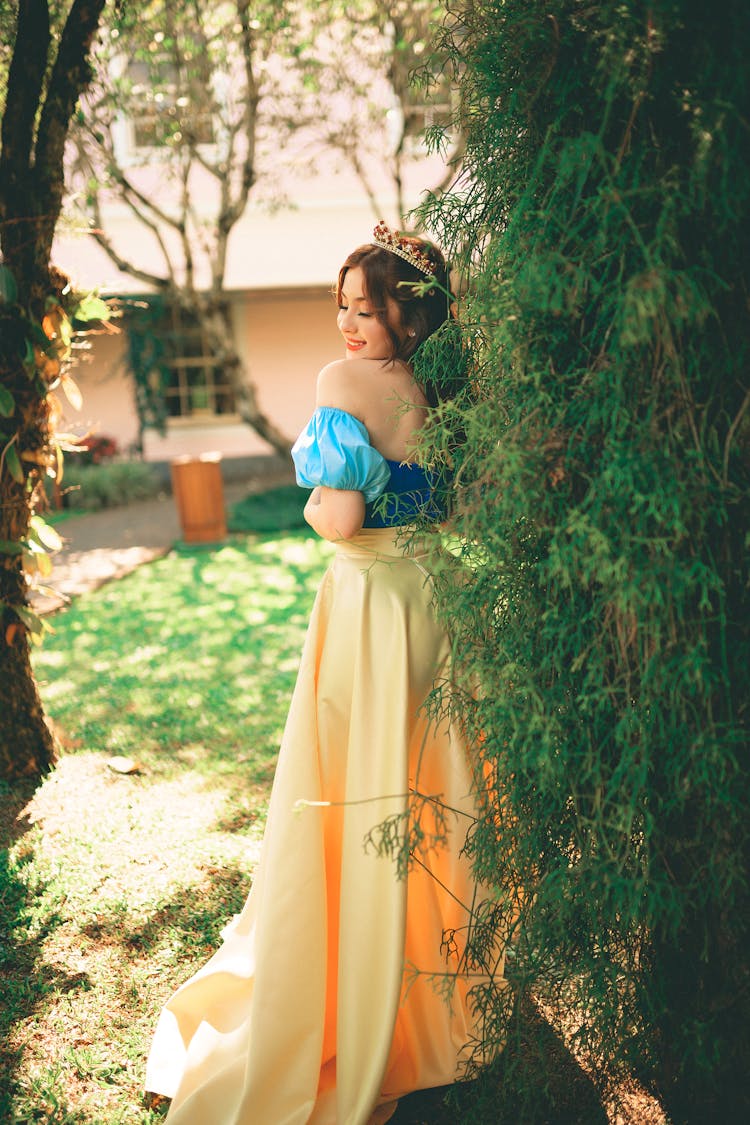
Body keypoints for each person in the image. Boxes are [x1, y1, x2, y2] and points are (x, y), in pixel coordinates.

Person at [145, 223, 504, 1124]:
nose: (348, 325)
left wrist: (315, 496)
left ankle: (357, 975)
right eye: (341, 306)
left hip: (370, 607)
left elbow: (341, 520)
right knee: (432, 778)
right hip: (440, 599)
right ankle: (448, 985)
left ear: (406, 313)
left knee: (359, 792)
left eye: (367, 307)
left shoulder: (340, 386)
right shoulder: (449, 384)